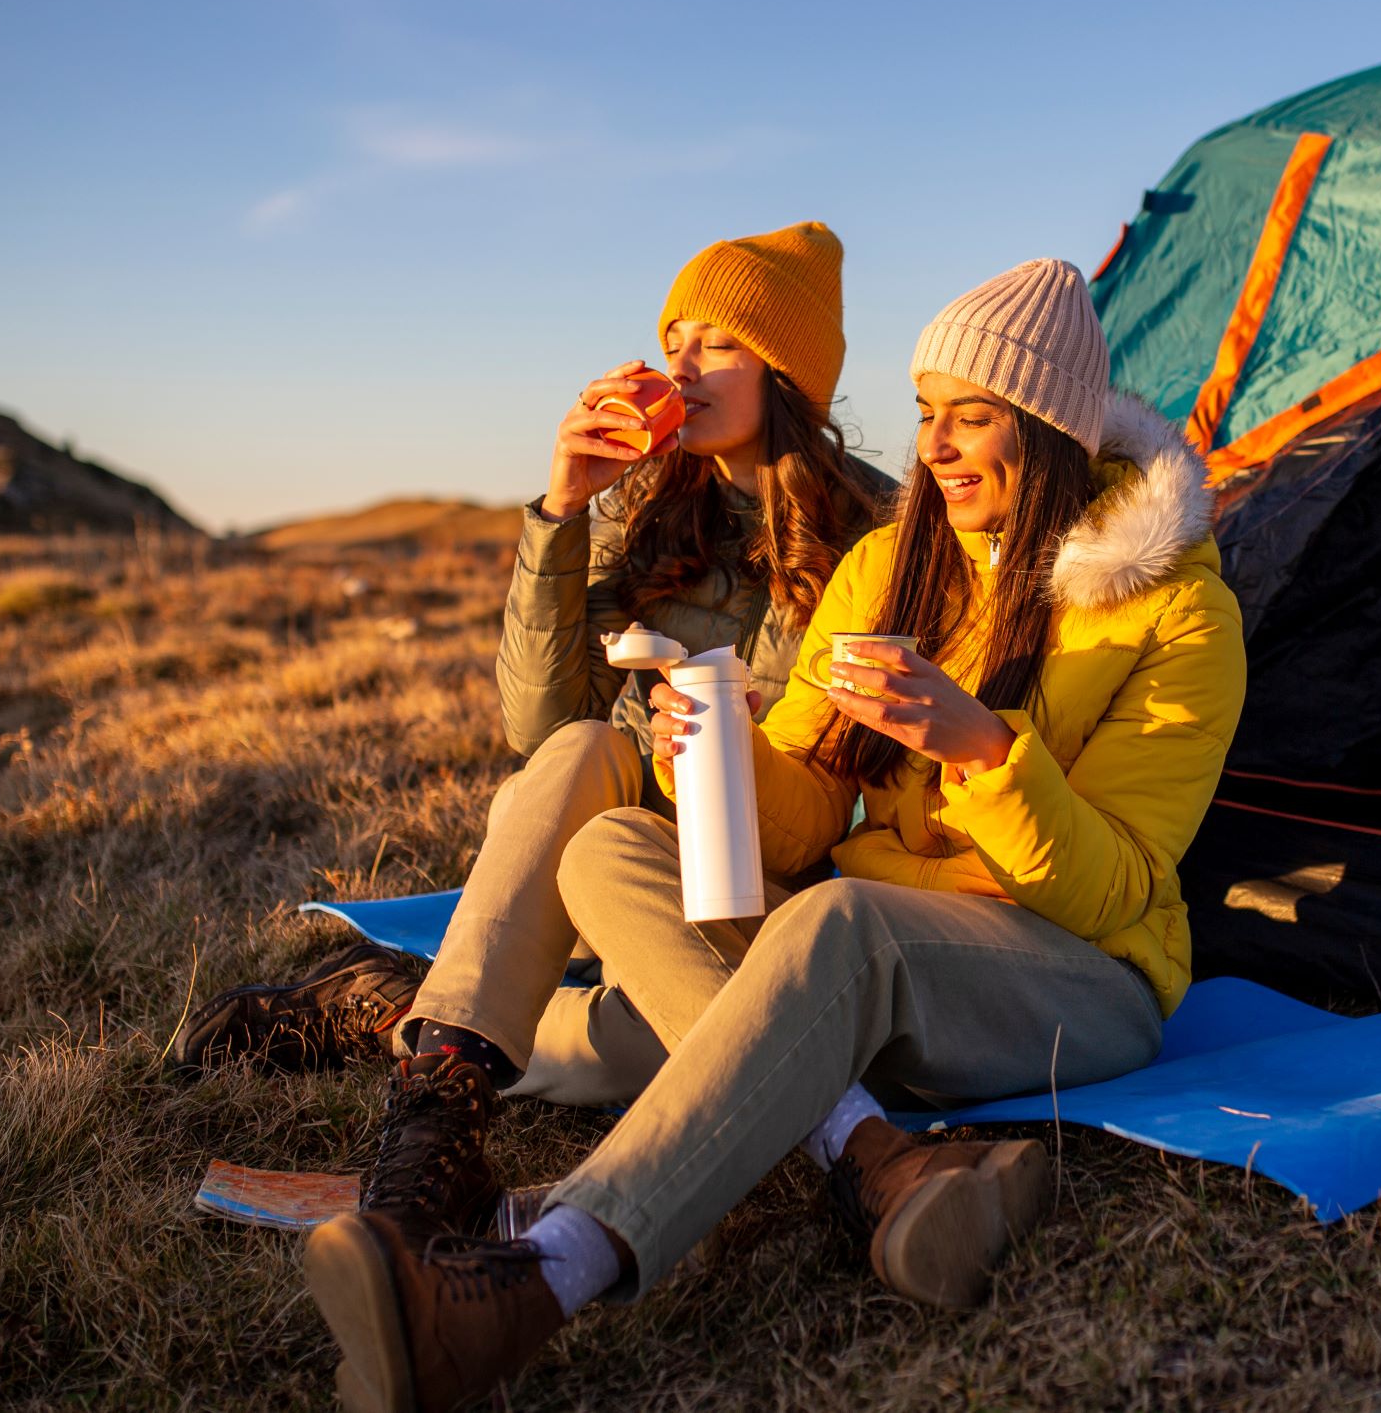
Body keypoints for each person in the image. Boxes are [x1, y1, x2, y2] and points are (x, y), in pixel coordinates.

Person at [301, 258, 1248, 1413]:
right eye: (927, 417)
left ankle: (532, 1278)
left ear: (1047, 431)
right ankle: (866, 1155)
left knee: (830, 928)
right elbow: (800, 802)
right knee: (610, 850)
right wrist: (715, 734)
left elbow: (1119, 886)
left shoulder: (1179, 613)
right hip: (878, 957)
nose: (939, 449)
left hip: (1075, 973)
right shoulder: (891, 566)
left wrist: (984, 751)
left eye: (974, 418)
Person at [176, 224, 889, 1202]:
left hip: (763, 885)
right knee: (588, 741)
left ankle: (399, 1010)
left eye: (717, 342)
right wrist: (562, 509)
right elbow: (542, 726)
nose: (680, 364)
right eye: (671, 336)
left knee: (657, 1048)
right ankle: (435, 1114)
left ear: (785, 370)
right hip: (603, 859)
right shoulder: (643, 505)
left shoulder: (878, 535)